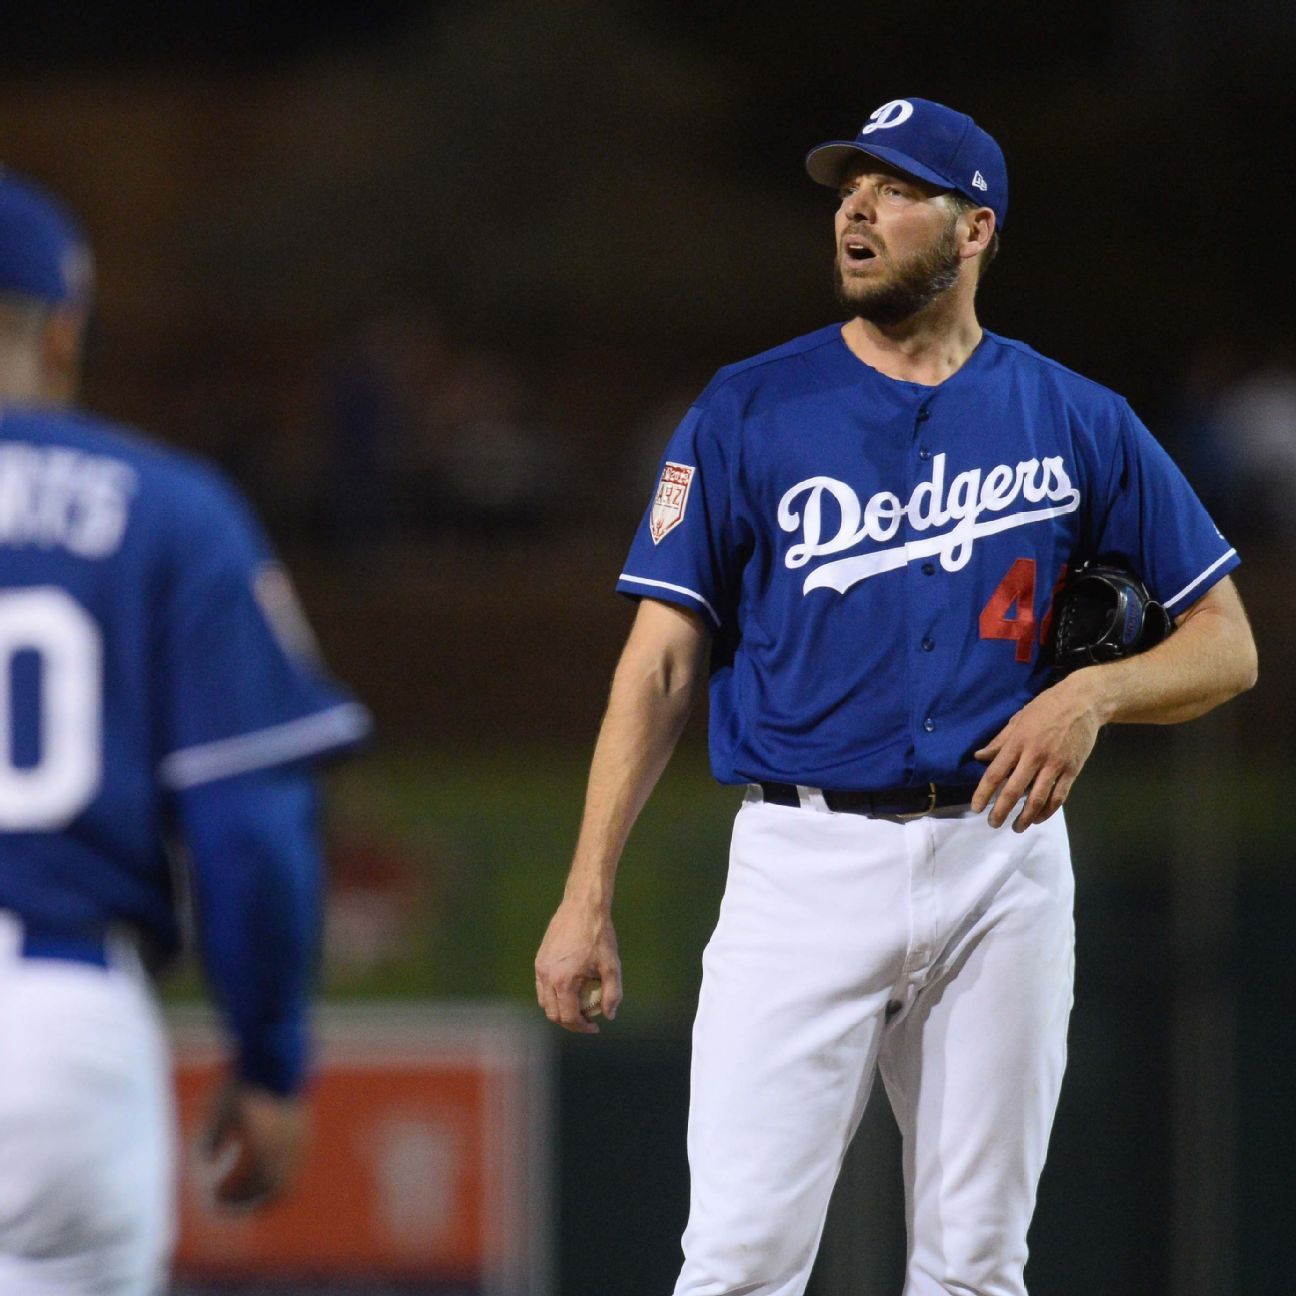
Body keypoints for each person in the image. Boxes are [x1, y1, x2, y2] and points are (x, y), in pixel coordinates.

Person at [534, 98, 1257, 1295]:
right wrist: (584, 895)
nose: (858, 209)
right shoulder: (747, 408)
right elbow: (661, 662)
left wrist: (1095, 698)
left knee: (975, 1265)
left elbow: (1227, 646)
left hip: (1002, 858)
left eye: (897, 189)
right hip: (800, 859)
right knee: (738, 1259)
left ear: (974, 230)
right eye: (847, 190)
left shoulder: (1076, 417)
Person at [0, 170, 370, 1293]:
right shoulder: (167, 511)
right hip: (56, 1025)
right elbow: (250, 831)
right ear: (64, 332)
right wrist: (269, 1061)